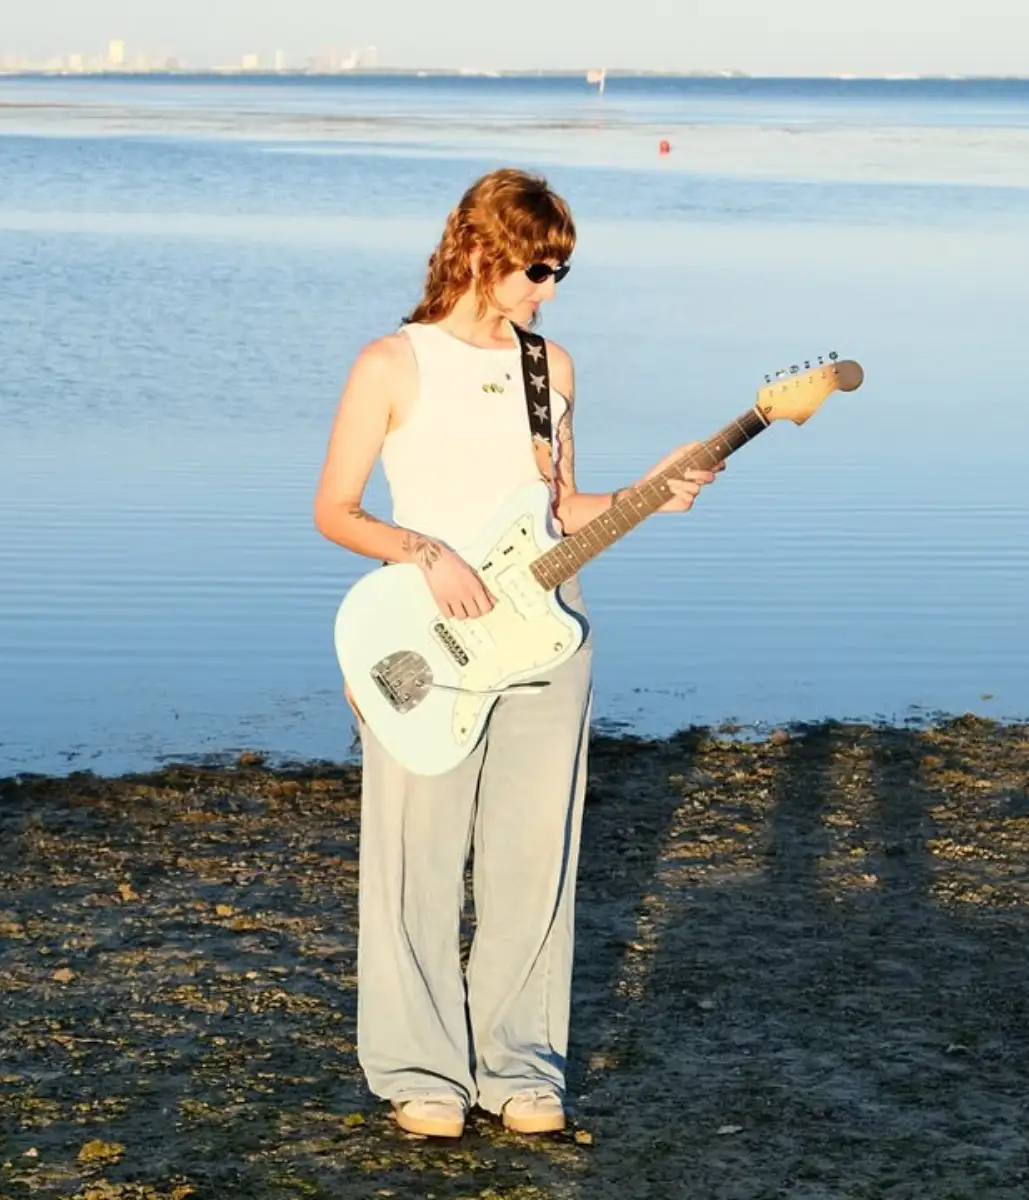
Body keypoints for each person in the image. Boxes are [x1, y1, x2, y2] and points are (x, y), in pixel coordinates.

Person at [312, 167, 720, 1138]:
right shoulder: (390, 364)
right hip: (426, 628)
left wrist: (650, 493)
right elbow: (334, 509)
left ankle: (521, 1069)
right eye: (540, 268)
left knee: (534, 861)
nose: (549, 288)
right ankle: (422, 1074)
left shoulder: (552, 369)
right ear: (484, 253)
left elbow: (560, 515)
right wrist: (424, 550)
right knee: (417, 858)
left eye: (562, 272)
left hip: (546, 627)